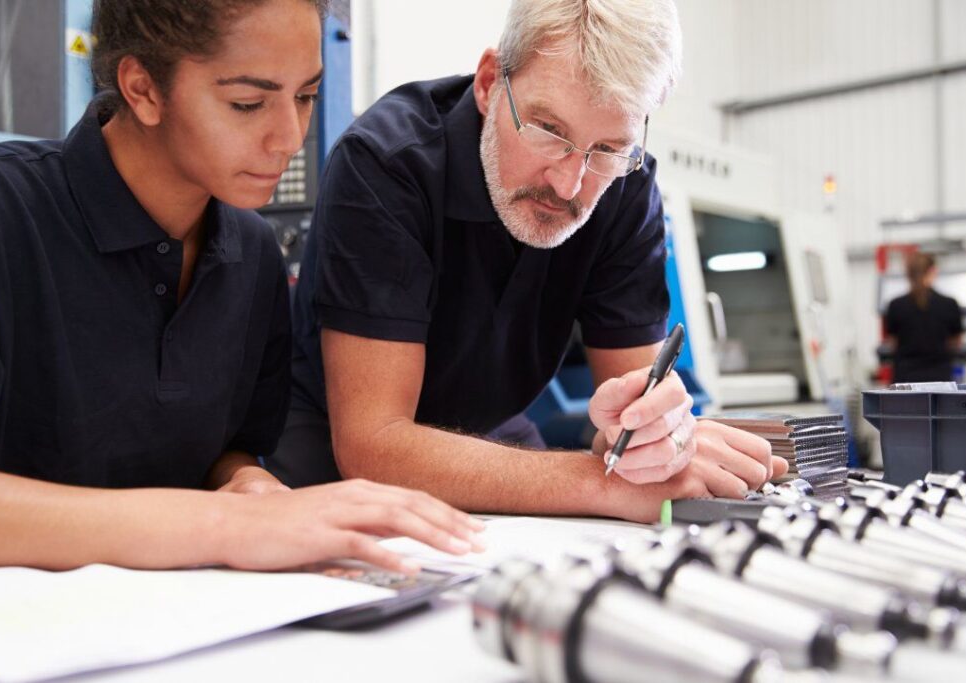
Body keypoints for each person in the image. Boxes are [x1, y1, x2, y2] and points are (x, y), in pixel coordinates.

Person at [0, 0, 483, 572]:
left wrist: (248, 484)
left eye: (306, 96)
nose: (289, 137)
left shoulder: (252, 252)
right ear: (142, 88)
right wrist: (224, 526)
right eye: (247, 103)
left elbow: (226, 450)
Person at [275, 0, 788, 522]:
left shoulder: (625, 187)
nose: (569, 185)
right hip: (334, 447)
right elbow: (375, 444)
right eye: (547, 130)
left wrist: (659, 438)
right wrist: (601, 484)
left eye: (607, 148)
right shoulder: (386, 166)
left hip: (492, 432)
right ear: (488, 83)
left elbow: (636, 422)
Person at [884, 252, 965, 383]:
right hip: (940, 379)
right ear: (933, 271)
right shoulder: (949, 304)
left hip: (905, 380)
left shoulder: (896, 305)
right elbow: (956, 342)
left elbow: (893, 343)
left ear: (908, 274)